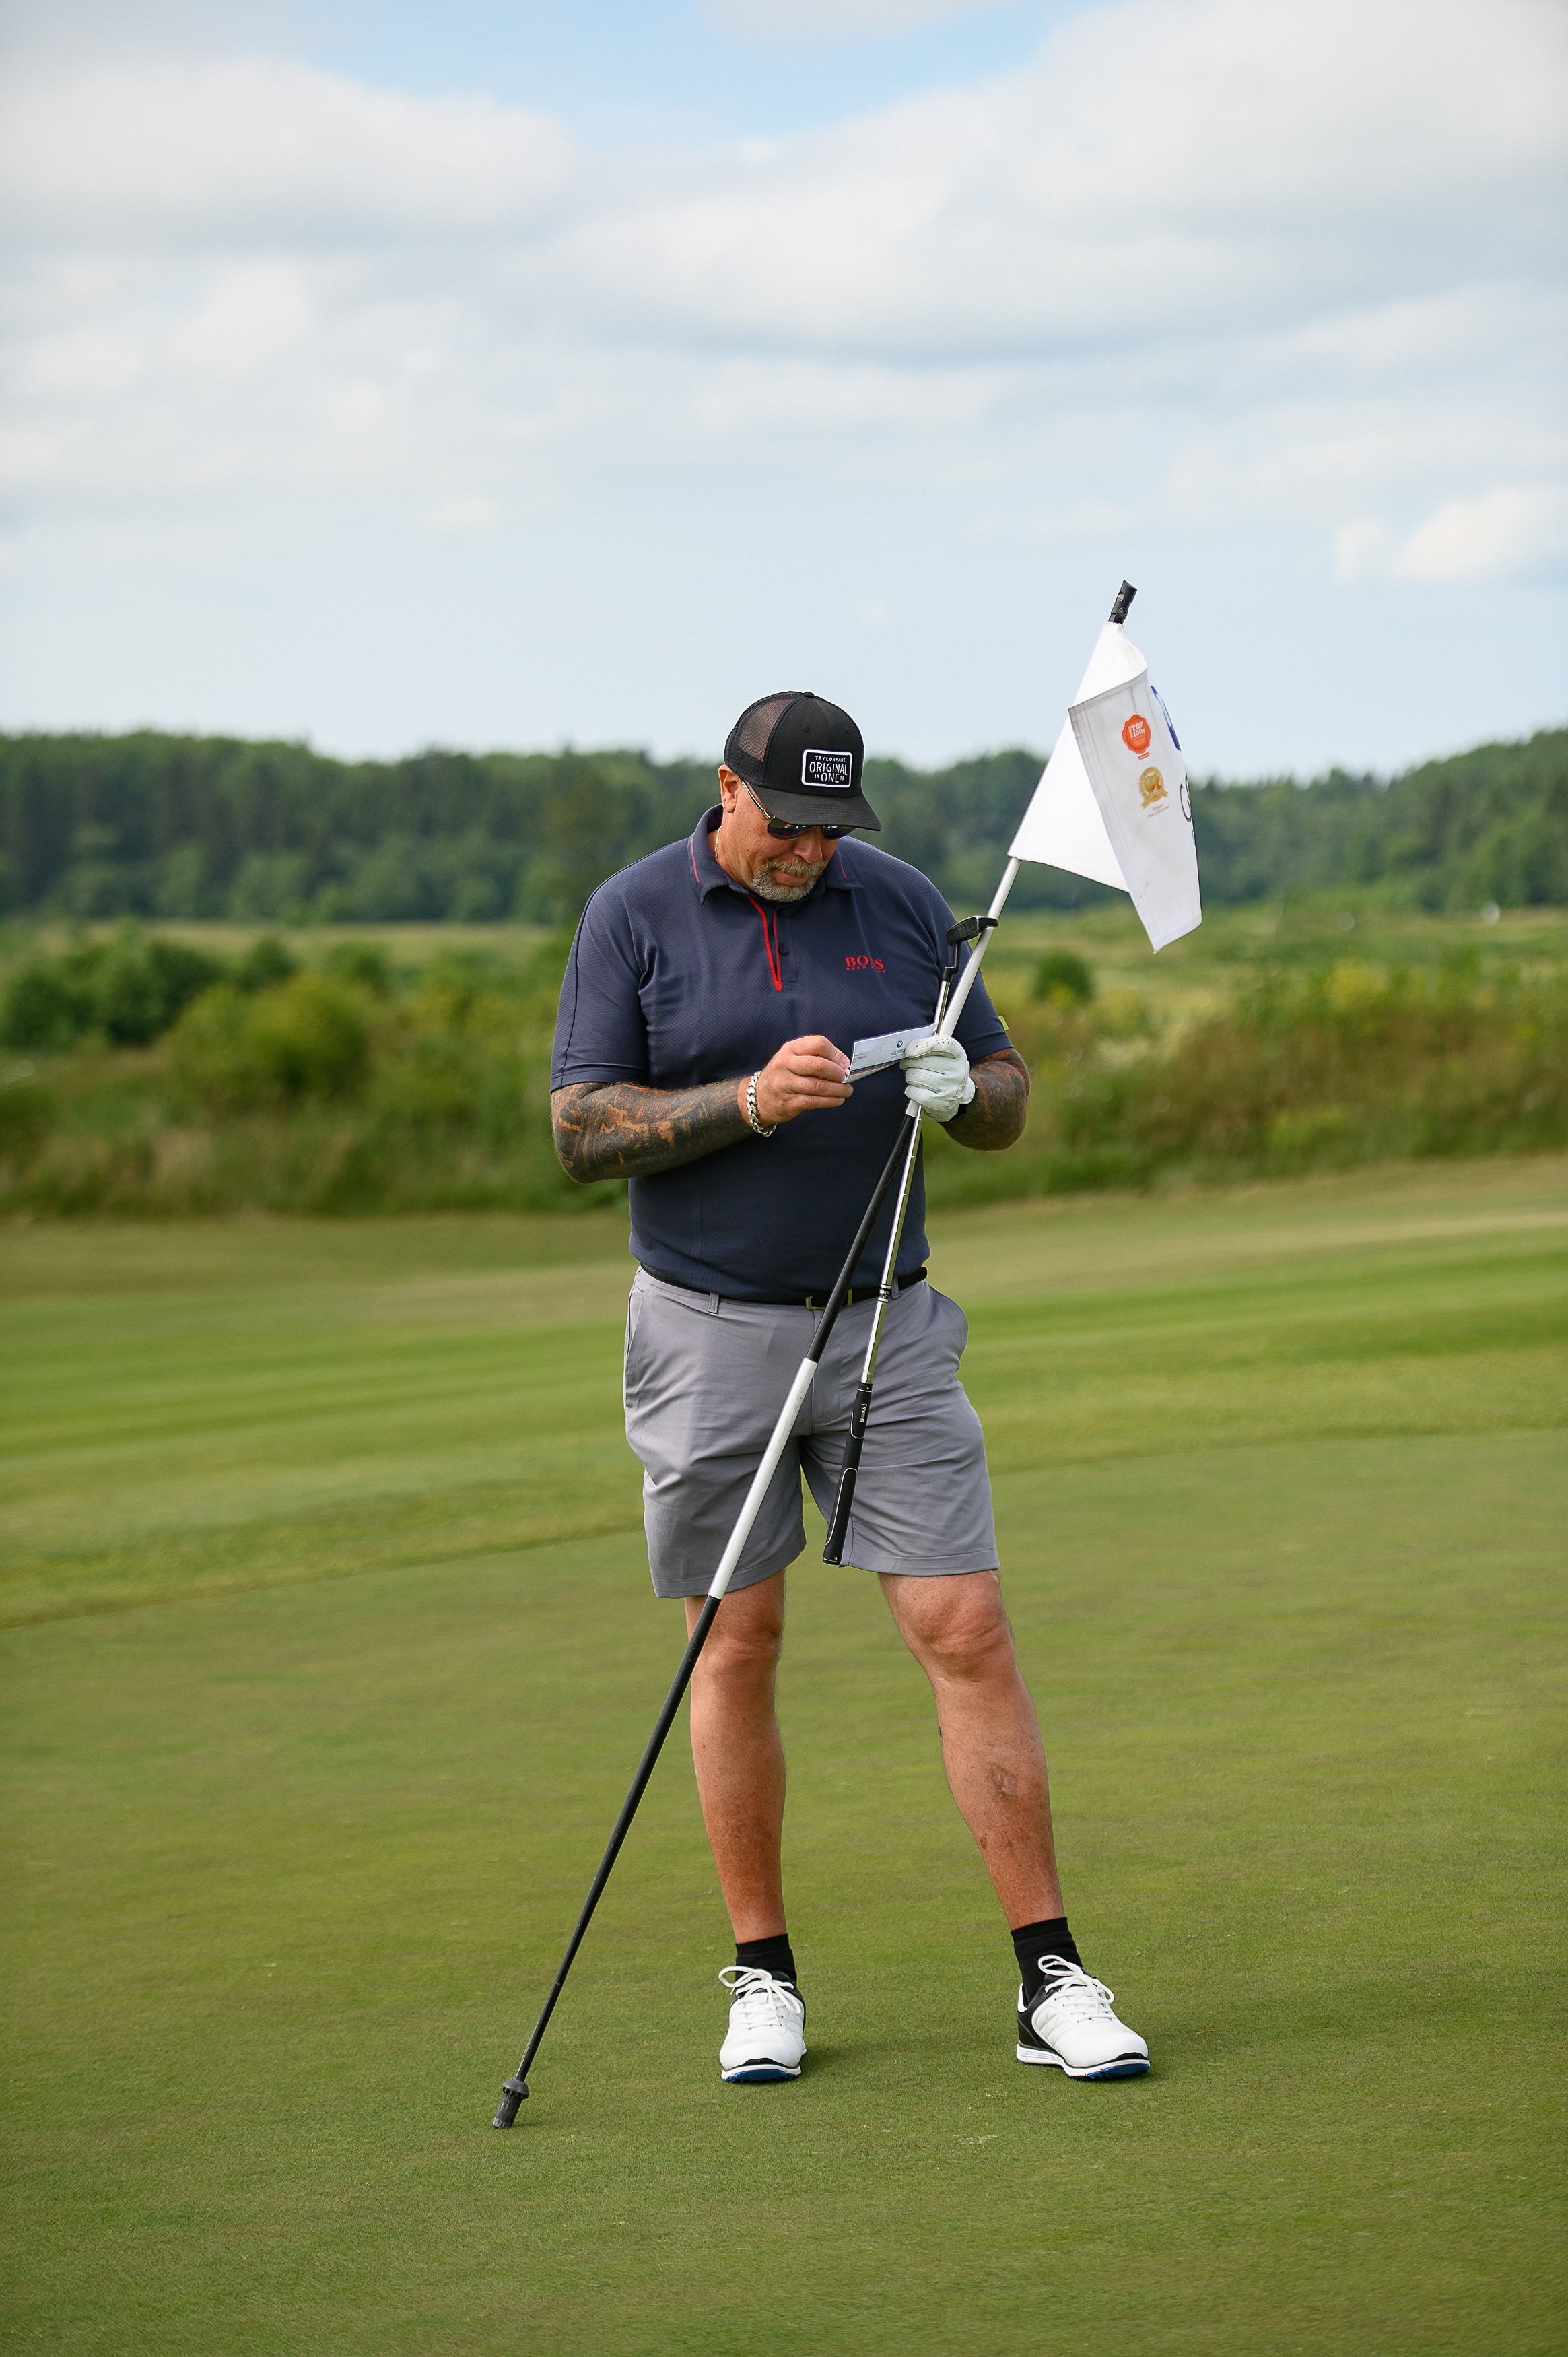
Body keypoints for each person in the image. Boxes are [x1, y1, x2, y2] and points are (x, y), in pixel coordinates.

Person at [550, 690, 1149, 2087]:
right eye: (788, 825)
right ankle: (763, 1977)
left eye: (830, 830)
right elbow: (580, 1130)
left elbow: (1003, 1086)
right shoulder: (633, 913)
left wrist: (967, 1093)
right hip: (706, 1331)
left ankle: (1048, 1976)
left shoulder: (901, 899)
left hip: (889, 1323)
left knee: (967, 1626)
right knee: (734, 1641)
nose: (809, 853)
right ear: (728, 791)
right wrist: (745, 1102)